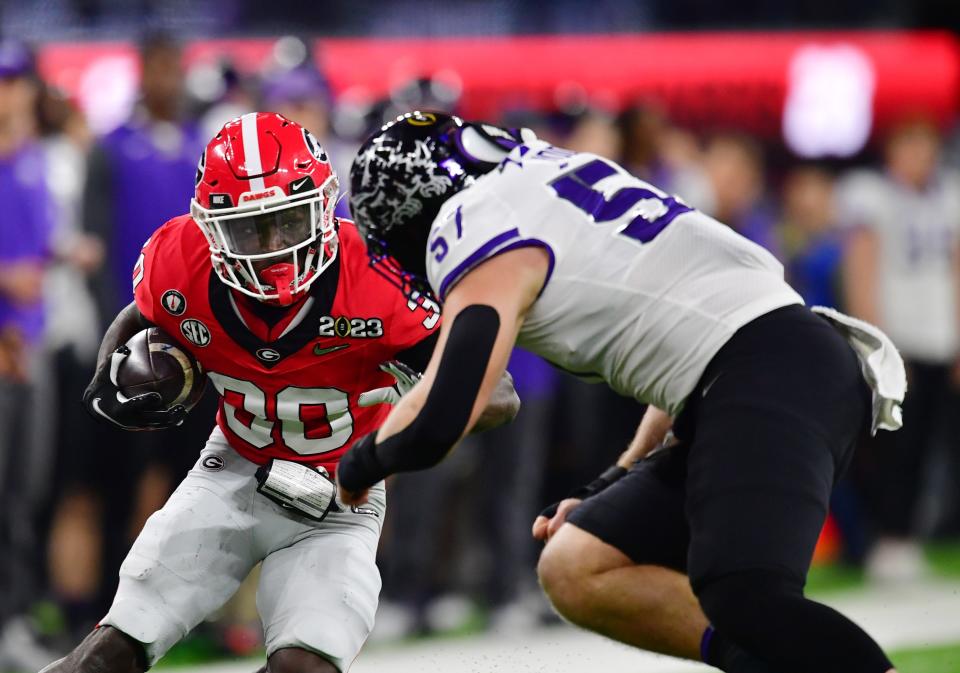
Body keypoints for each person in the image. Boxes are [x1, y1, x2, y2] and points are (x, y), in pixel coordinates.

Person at [337, 111, 906, 673]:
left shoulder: (473, 219)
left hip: (769, 369)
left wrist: (356, 467)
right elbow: (696, 330)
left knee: (745, 594)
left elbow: (445, 411)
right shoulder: (552, 174)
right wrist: (616, 478)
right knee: (579, 565)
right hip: (757, 369)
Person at [41, 112, 519, 673]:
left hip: (341, 497)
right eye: (249, 230)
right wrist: (109, 376)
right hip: (233, 472)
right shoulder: (182, 258)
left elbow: (500, 394)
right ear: (211, 229)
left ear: (324, 206)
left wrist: (422, 402)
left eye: (288, 222)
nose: (272, 249)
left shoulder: (381, 274)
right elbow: (146, 310)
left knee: (304, 665)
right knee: (107, 656)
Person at [839, 118, 960, 578]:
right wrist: (877, 340)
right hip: (898, 337)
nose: (919, 156)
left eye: (926, 145)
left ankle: (905, 538)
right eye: (910, 144)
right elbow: (862, 269)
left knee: (927, 444)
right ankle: (881, 540)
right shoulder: (871, 195)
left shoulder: (947, 197)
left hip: (938, 337)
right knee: (889, 445)